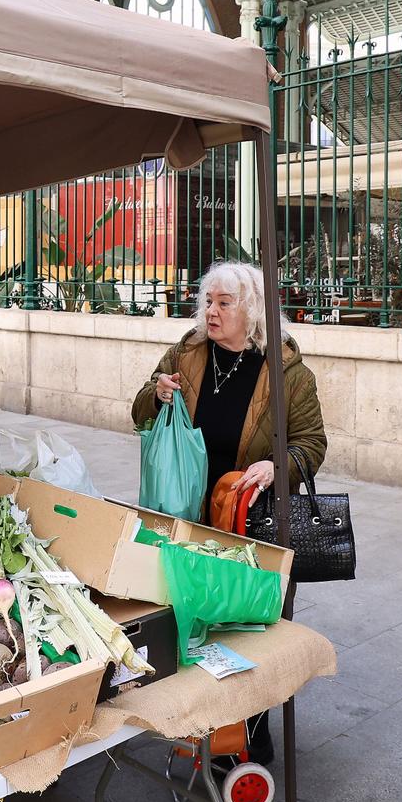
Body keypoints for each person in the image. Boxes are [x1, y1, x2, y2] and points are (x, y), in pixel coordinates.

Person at [131, 260, 327, 766]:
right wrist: (155, 396)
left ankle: (251, 732)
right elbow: (137, 413)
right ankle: (201, 722)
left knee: (250, 630)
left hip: (251, 523)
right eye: (208, 301)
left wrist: (274, 466)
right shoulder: (187, 353)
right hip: (191, 516)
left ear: (253, 310)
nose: (210, 312)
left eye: (224, 303)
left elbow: (312, 444)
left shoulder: (286, 372)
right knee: (199, 625)